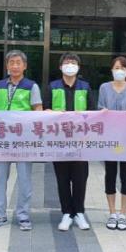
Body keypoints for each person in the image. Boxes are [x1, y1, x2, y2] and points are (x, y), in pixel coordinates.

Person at [0, 50, 42, 231]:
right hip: (2, 139)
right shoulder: (0, 84)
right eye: (12, 62)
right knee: (0, 178)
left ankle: (23, 216)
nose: (15, 66)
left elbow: (38, 110)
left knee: (24, 179)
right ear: (7, 66)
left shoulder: (32, 86)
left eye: (18, 62)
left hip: (23, 140)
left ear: (25, 66)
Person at [44, 53, 95, 231]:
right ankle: (66, 213)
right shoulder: (53, 86)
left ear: (78, 67)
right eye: (67, 62)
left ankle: (79, 212)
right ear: (60, 67)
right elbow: (45, 110)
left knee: (80, 178)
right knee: (62, 178)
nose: (70, 65)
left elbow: (92, 113)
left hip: (80, 142)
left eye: (73, 63)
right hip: (59, 141)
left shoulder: (85, 87)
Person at [97, 56, 126, 231]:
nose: (119, 71)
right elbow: (99, 108)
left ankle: (123, 214)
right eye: (116, 68)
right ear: (111, 70)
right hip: (109, 139)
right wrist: (104, 112)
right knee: (110, 174)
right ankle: (112, 212)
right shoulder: (104, 88)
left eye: (122, 68)